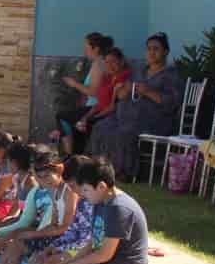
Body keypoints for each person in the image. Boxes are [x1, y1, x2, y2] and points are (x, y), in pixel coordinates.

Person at [37, 155, 148, 264]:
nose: (81, 194)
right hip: (106, 262)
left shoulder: (118, 208)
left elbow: (104, 254)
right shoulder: (100, 201)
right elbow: (93, 242)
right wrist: (67, 263)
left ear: (101, 186)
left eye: (85, 190)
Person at [88, 33, 184, 182]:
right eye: (149, 49)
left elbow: (172, 102)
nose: (151, 52)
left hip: (156, 120)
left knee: (125, 131)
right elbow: (122, 95)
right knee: (102, 127)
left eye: (156, 49)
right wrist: (123, 90)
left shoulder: (171, 75)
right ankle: (99, 168)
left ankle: (124, 172)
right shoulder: (140, 71)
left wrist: (148, 91)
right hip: (129, 116)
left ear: (165, 52)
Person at [21, 154, 99, 264]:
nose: (72, 189)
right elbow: (71, 231)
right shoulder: (82, 202)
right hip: (76, 244)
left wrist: (60, 249)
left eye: (73, 185)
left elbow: (88, 240)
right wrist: (52, 247)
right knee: (36, 259)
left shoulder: (94, 203)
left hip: (86, 248)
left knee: (44, 263)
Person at [55, 32, 111, 152]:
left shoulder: (99, 64)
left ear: (95, 49)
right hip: (89, 106)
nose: (84, 52)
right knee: (74, 125)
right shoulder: (97, 63)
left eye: (86, 48)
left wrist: (74, 84)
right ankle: (74, 157)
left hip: (95, 108)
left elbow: (93, 91)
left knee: (61, 117)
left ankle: (69, 156)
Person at [67, 47, 130, 155]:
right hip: (102, 112)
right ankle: (77, 160)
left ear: (121, 61)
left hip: (114, 116)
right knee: (78, 124)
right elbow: (99, 103)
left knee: (89, 125)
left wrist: (93, 118)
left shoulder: (125, 79)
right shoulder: (108, 78)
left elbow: (113, 107)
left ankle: (90, 161)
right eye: (106, 62)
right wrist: (86, 117)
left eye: (113, 61)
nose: (109, 65)